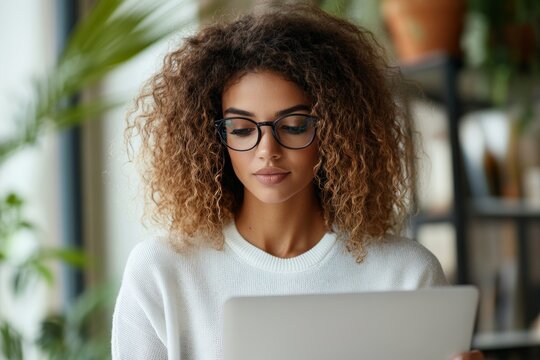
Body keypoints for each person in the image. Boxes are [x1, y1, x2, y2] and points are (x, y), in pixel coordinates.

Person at [112, 3, 484, 359]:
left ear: (338, 131)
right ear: (213, 137)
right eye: (241, 129)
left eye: (294, 126)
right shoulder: (163, 271)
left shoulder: (406, 274)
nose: (267, 150)